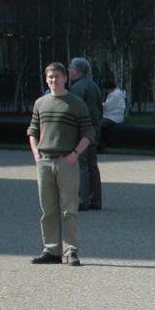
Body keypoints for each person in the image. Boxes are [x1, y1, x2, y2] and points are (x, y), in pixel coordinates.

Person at [27, 62, 96, 266]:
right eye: (49, 77)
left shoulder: (75, 103)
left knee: (69, 210)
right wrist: (36, 154)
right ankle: (51, 250)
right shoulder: (41, 103)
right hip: (45, 162)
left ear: (65, 78)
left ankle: (71, 250)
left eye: (57, 76)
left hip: (66, 160)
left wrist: (75, 154)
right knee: (48, 209)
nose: (53, 81)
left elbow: (88, 132)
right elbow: (32, 131)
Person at [68, 57, 103, 211]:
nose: (68, 70)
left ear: (76, 70)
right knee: (92, 166)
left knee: (81, 165)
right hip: (94, 129)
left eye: (70, 67)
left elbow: (73, 110)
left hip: (81, 131)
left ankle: (82, 199)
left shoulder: (77, 88)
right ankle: (95, 199)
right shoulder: (94, 85)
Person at [99, 78, 126, 151]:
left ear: (109, 88)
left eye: (106, 89)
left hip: (112, 117)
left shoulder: (113, 95)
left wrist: (100, 104)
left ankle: (100, 145)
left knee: (98, 126)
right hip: (116, 116)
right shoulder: (119, 93)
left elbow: (108, 107)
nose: (106, 91)